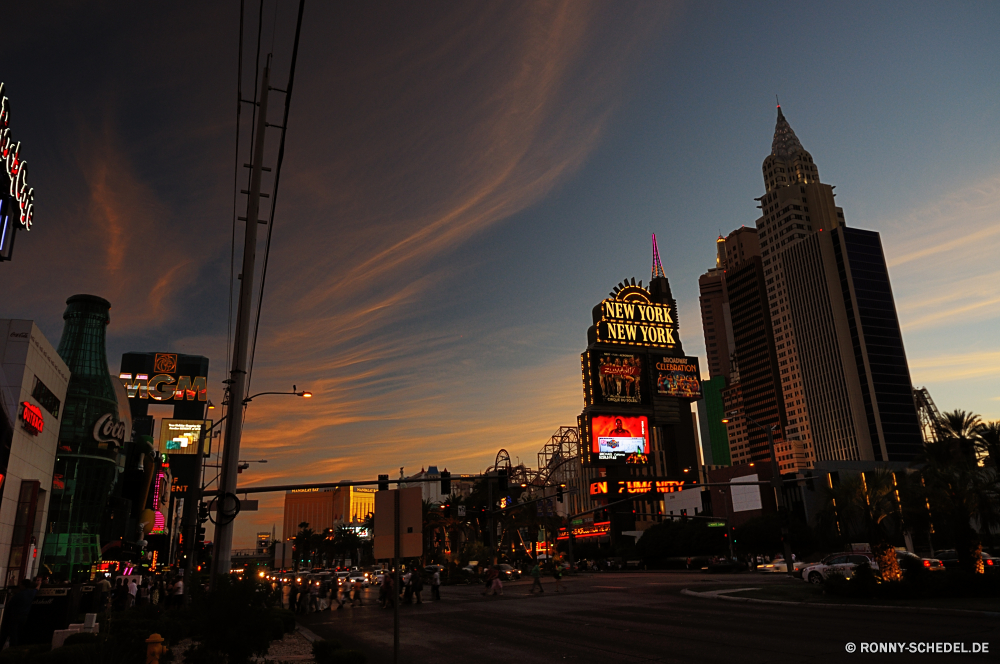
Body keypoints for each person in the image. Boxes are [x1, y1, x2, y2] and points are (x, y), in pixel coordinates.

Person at [0, 580, 38, 648]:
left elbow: (10, 604)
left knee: (12, 634)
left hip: (15, 616)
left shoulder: (19, 594)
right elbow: (37, 589)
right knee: (18, 633)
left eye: (20, 584)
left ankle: (12, 648)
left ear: (23, 585)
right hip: (24, 616)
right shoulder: (31, 593)